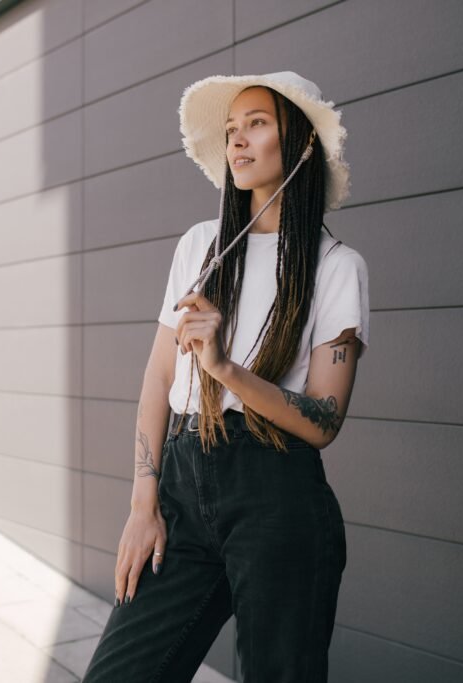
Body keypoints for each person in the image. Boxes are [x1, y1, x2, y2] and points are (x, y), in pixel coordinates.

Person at [83, 71, 370, 683]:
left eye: (257, 125)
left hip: (277, 494)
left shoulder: (336, 268)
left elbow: (323, 420)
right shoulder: (199, 247)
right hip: (183, 488)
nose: (237, 141)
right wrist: (142, 505)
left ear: (300, 145)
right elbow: (160, 378)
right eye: (232, 130)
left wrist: (223, 368)